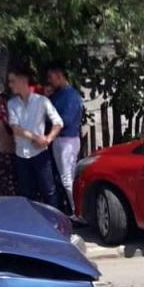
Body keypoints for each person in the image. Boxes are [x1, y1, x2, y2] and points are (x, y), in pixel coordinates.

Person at [7, 64, 63, 207]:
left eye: (13, 81)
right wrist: (36, 137)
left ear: (23, 80)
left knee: (49, 191)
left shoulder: (41, 101)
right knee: (26, 194)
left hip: (40, 154)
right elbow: (16, 129)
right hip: (21, 155)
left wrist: (47, 139)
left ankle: (54, 224)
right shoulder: (12, 104)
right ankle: (31, 224)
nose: (10, 85)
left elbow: (58, 122)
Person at [46, 62, 84, 211]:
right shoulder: (57, 95)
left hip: (67, 140)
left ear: (59, 76)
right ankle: (73, 208)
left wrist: (51, 119)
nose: (49, 81)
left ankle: (77, 211)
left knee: (68, 178)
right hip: (59, 139)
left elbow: (66, 120)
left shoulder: (71, 96)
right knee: (64, 177)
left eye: (51, 77)